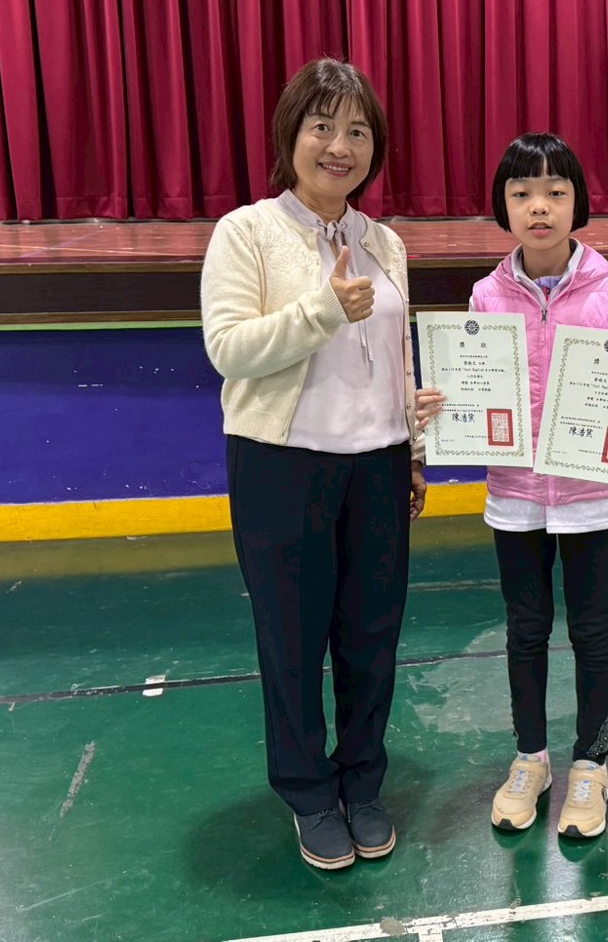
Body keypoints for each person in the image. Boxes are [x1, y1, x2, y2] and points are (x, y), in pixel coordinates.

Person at [200, 58, 428, 871]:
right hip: (282, 465)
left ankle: (362, 782)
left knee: (372, 638)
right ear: (290, 135)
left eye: (358, 131)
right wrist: (321, 309)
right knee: (292, 641)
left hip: (378, 466)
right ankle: (307, 793)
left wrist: (413, 449)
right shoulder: (247, 232)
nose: (340, 146)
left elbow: (398, 355)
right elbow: (228, 349)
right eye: (322, 126)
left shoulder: (385, 242)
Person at [415, 132, 608, 840]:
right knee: (525, 629)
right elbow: (472, 387)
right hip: (515, 495)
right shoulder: (484, 294)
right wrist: (440, 410)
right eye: (522, 193)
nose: (539, 207)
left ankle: (591, 763)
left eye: (555, 192)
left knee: (592, 629)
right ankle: (531, 758)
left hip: (592, 496)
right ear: (502, 205)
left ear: (577, 202)